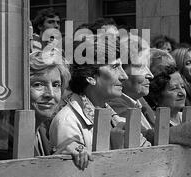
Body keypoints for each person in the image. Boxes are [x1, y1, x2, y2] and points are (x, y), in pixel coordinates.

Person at [49, 34, 136, 170]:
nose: (124, 76)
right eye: (115, 67)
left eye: (122, 67)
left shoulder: (113, 116)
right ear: (90, 77)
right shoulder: (68, 121)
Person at [30, 48, 70, 156]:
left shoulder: (41, 130)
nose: (50, 94)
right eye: (38, 84)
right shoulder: (4, 137)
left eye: (56, 85)